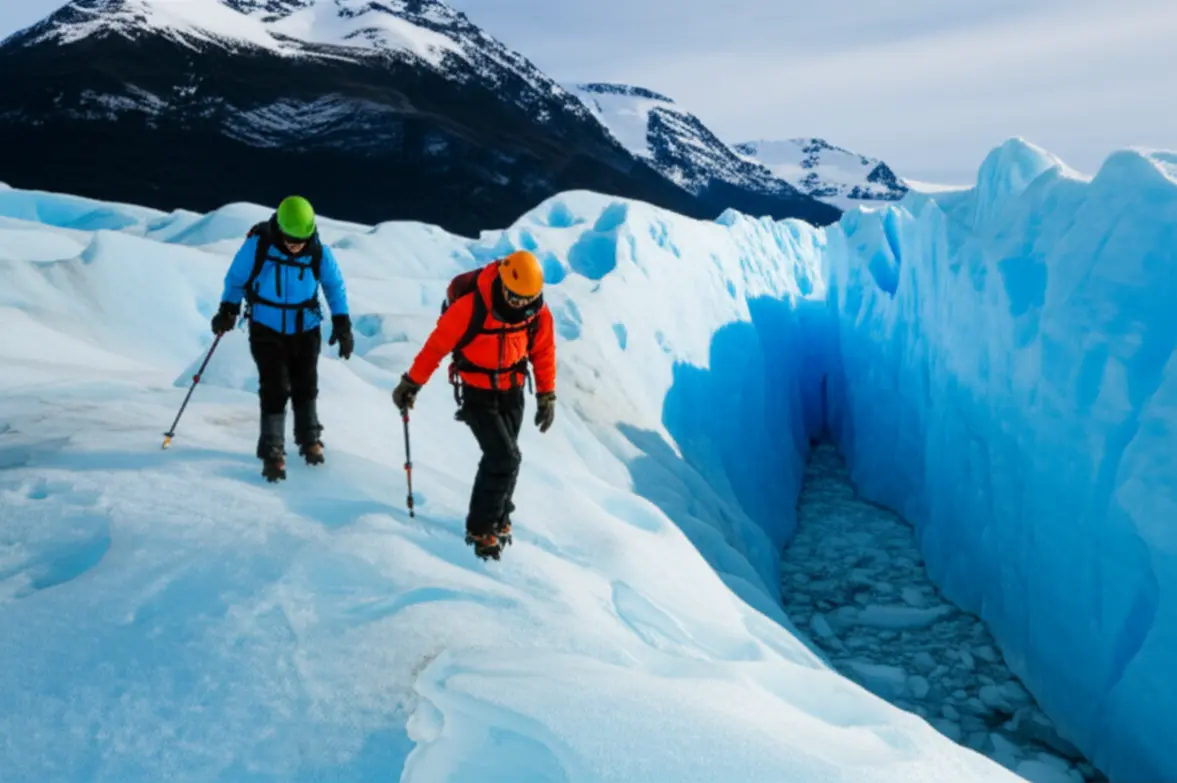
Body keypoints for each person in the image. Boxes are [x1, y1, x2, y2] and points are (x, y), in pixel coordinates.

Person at [392, 250, 557, 560]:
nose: (521, 304)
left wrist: (547, 394)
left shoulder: (537, 311)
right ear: (504, 284)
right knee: (504, 458)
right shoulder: (472, 307)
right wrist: (411, 382)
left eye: (527, 298)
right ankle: (480, 527)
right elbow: (437, 346)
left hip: (513, 389)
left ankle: (499, 516)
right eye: (515, 297)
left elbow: (543, 351)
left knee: (508, 457)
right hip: (477, 392)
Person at [210, 195, 353, 483]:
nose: (294, 245)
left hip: (306, 328)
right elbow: (236, 278)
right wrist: (228, 308)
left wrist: (342, 322)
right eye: (289, 238)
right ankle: (272, 450)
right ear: (279, 229)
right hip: (266, 327)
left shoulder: (319, 253)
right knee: (275, 386)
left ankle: (309, 439)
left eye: (300, 239)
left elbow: (334, 286)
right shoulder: (259, 245)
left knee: (306, 384)